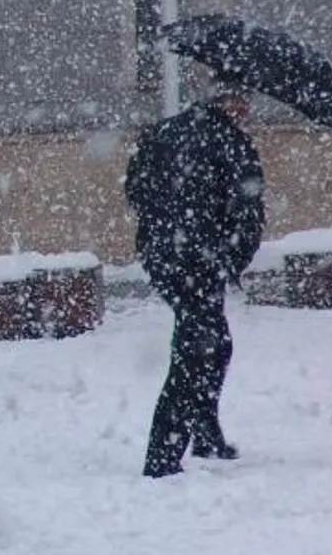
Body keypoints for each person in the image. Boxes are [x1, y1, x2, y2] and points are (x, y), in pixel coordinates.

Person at [124, 79, 266, 478]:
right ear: (230, 104)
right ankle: (162, 456)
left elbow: (135, 190)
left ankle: (205, 435)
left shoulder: (164, 133)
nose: (245, 110)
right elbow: (247, 213)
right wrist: (226, 258)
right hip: (201, 263)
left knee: (213, 343)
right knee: (197, 352)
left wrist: (164, 230)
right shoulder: (233, 147)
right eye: (242, 102)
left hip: (168, 258)